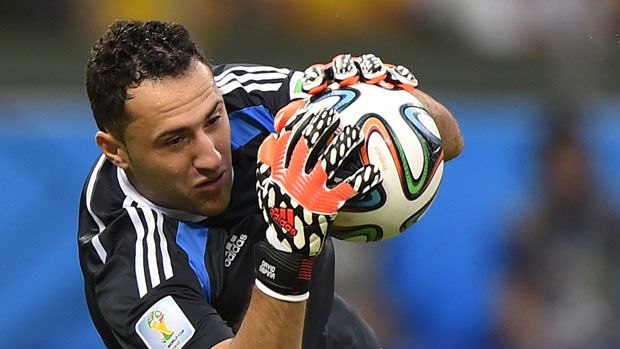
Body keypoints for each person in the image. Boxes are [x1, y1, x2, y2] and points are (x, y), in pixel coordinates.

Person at [78, 19, 463, 349]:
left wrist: (386, 99)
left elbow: (448, 141)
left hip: (328, 333)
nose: (211, 156)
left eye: (213, 120)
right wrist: (287, 249)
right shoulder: (129, 259)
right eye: (175, 140)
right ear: (116, 151)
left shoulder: (245, 97)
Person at [497, 114, 620, 349]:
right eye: (558, 164)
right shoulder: (525, 229)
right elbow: (513, 303)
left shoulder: (608, 223)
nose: (567, 173)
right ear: (544, 169)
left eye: (574, 163)